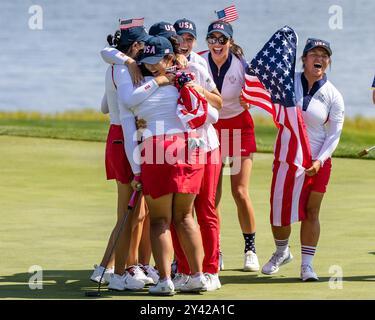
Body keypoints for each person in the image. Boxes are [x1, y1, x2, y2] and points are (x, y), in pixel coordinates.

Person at [118, 35, 221, 295]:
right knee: (185, 217)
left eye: (157, 61)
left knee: (160, 221)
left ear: (168, 58)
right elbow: (212, 115)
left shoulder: (138, 89)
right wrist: (190, 88)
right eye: (148, 62)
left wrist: (137, 172)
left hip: (158, 151)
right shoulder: (184, 82)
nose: (152, 67)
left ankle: (165, 281)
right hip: (190, 151)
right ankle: (197, 276)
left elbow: (129, 112)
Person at [261, 38, 345, 281]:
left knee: (312, 211)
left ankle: (307, 266)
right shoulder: (288, 83)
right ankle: (281, 252)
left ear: (328, 62)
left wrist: (319, 160)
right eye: (314, 54)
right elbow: (266, 93)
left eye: (324, 55)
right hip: (287, 156)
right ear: (304, 59)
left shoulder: (333, 95)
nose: (319, 59)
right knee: (279, 211)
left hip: (318, 161)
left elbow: (334, 134)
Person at [91, 24, 161, 291]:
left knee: (136, 212)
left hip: (118, 135)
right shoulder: (123, 68)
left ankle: (119, 267)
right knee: (128, 212)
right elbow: (124, 103)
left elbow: (104, 106)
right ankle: (116, 270)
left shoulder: (120, 67)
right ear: (134, 47)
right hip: (123, 138)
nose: (146, 48)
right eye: (142, 45)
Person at [200, 20, 260, 272]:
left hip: (239, 129)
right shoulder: (198, 60)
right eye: (212, 39)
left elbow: (257, 94)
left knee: (240, 191)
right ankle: (217, 250)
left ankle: (250, 250)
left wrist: (250, 100)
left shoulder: (242, 66)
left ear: (230, 42)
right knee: (212, 195)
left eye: (221, 39)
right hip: (211, 128)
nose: (216, 44)